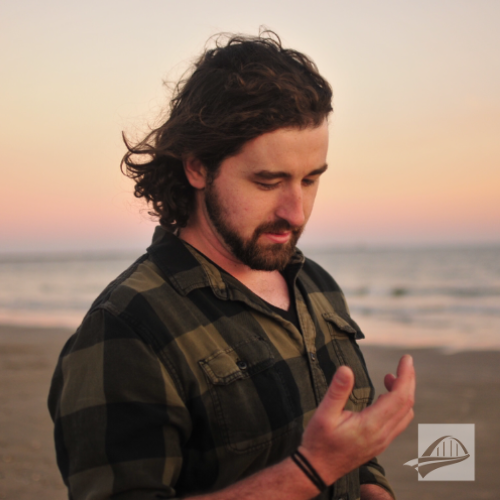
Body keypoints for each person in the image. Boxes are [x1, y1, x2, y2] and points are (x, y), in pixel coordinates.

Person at [48, 31, 415, 500]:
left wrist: (368, 480)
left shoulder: (316, 287)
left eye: (310, 180)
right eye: (268, 181)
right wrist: (311, 469)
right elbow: (327, 460)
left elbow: (352, 462)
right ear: (198, 167)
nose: (295, 212)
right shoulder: (125, 329)